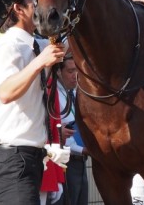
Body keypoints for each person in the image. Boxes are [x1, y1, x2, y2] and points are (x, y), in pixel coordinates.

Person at [0, 0, 70, 205]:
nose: (38, 6)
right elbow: (5, 92)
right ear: (18, 8)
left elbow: (70, 43)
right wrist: (39, 63)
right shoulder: (8, 45)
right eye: (32, 1)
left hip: (31, 158)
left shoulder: (35, 44)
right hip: (13, 158)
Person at [57, 53, 89, 205]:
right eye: (70, 71)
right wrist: (81, 150)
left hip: (81, 160)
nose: (75, 76)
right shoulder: (54, 95)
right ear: (59, 72)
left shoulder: (76, 93)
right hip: (65, 160)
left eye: (77, 71)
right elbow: (61, 131)